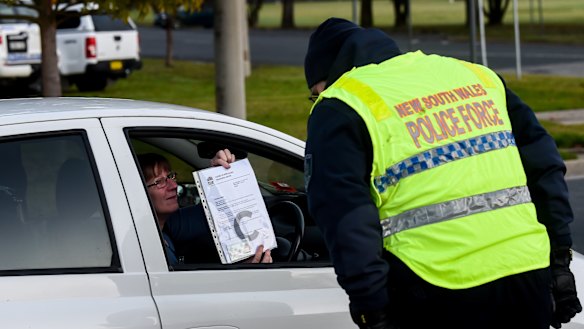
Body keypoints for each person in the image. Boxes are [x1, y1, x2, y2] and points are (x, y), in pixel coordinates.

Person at [303, 17, 581, 329]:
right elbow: (545, 166)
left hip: (436, 288)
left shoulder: (341, 103)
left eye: (315, 92)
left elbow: (344, 215)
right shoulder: (476, 76)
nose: (318, 99)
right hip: (527, 276)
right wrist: (559, 262)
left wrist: (372, 309)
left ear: (328, 76)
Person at [138, 149, 272, 265]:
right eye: (159, 182)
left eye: (170, 177)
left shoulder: (168, 224)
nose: (173, 186)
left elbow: (216, 212)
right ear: (138, 192)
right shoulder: (144, 248)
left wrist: (221, 174)